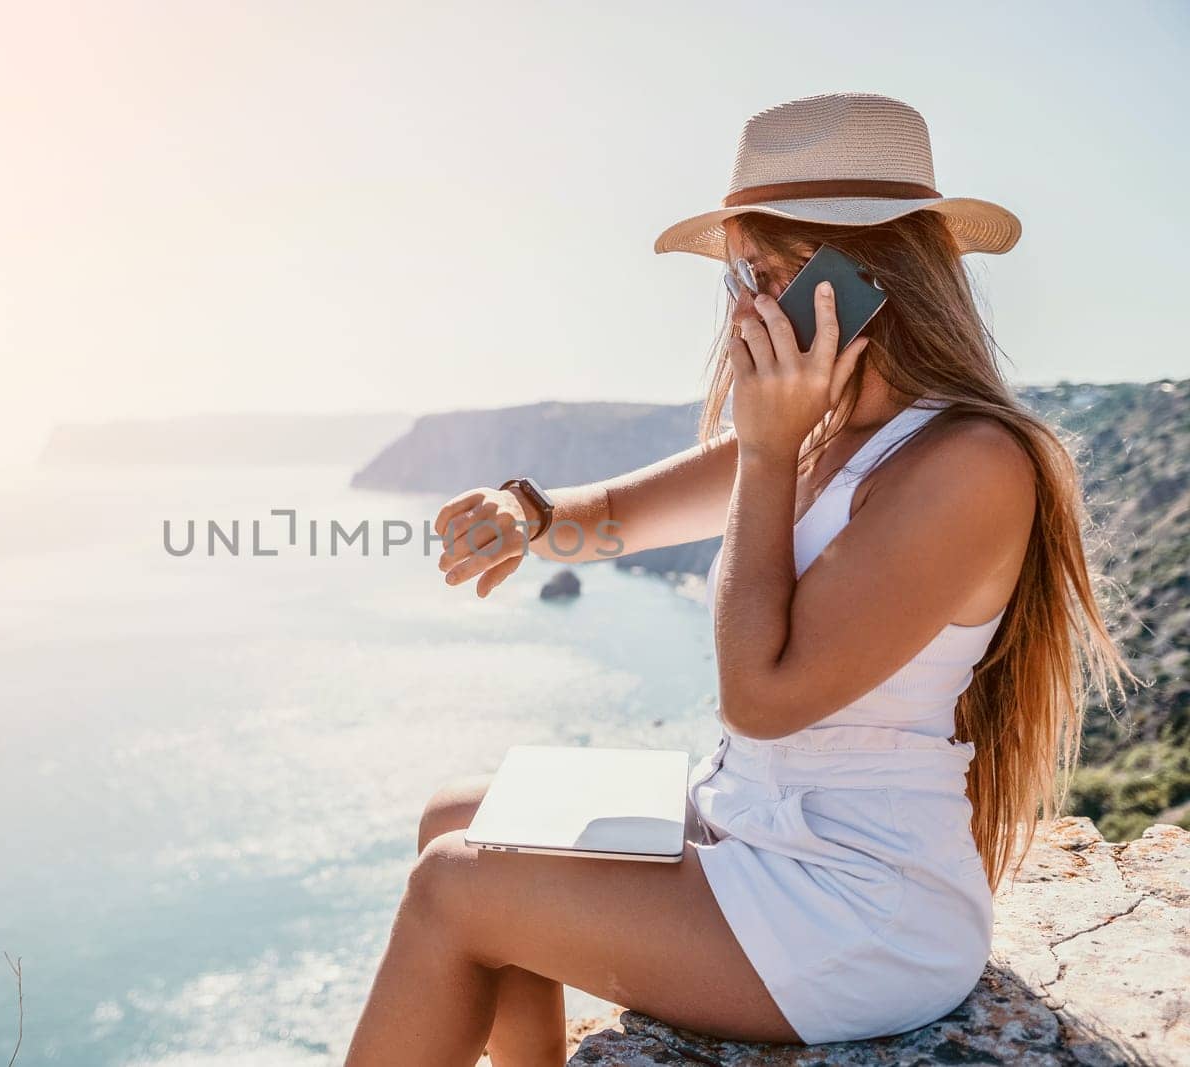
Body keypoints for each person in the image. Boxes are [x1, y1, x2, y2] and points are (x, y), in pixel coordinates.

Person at [344, 92, 1137, 1065]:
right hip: (751, 824)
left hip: (860, 905)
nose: (739, 306)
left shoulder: (966, 463)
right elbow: (618, 516)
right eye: (736, 278)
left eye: (759, 274)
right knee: (457, 815)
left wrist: (764, 457)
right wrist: (527, 515)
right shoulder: (817, 436)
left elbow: (762, 699)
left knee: (452, 888)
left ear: (858, 280)